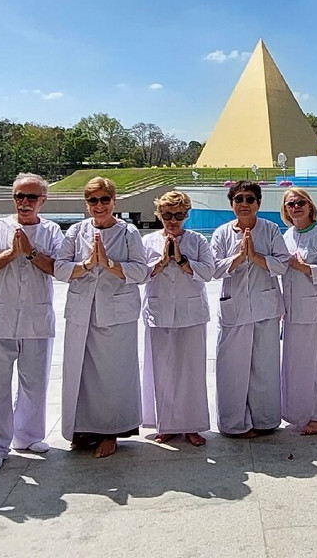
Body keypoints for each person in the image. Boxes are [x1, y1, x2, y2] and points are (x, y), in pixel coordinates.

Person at [0, 173, 65, 471]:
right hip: (0, 317)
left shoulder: (52, 231)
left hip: (36, 318)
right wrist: (12, 252)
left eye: (31, 197)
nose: (25, 202)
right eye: (19, 196)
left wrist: (31, 253)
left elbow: (60, 269)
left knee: (34, 383)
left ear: (43, 200)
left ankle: (28, 436)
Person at [54, 177, 148, 458]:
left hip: (117, 313)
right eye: (93, 200)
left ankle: (111, 431)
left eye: (104, 199)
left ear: (114, 201)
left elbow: (140, 271)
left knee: (113, 373)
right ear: (86, 204)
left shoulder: (128, 232)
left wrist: (109, 264)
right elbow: (60, 269)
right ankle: (84, 429)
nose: (99, 205)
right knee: (80, 372)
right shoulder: (76, 231)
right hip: (82, 310)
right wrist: (86, 265)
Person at [210, 180, 289, 437]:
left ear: (259, 203)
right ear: (231, 203)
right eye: (239, 199)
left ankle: (265, 421)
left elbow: (283, 265)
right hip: (234, 307)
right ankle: (233, 424)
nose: (244, 204)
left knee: (265, 368)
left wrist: (256, 257)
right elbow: (213, 269)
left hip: (265, 307)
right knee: (231, 368)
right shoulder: (222, 233)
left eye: (249, 199)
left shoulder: (270, 230)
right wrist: (239, 257)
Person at [140, 191, 215, 447]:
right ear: (159, 215)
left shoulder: (198, 241)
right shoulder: (148, 241)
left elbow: (209, 272)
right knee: (162, 371)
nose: (173, 220)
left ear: (187, 215)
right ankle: (168, 425)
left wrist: (182, 261)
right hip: (159, 312)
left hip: (191, 313)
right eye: (167, 215)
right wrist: (162, 262)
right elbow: (138, 274)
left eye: (179, 215)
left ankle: (192, 425)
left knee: (191, 371)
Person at [279, 188, 317, 435]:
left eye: (300, 202)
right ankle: (298, 411)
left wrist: (305, 267)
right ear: (285, 210)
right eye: (290, 204)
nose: (296, 207)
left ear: (310, 206)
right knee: (297, 364)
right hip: (294, 311)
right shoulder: (287, 235)